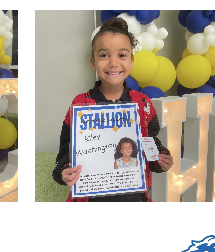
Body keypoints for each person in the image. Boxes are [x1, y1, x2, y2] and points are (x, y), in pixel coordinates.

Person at [53, 17, 173, 202]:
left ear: (132, 62)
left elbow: (149, 140)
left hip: (133, 197)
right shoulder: (80, 104)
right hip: (91, 198)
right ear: (93, 62)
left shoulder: (143, 103)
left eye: (122, 55)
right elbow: (65, 149)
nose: (113, 63)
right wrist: (63, 171)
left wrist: (160, 159)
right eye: (104, 55)